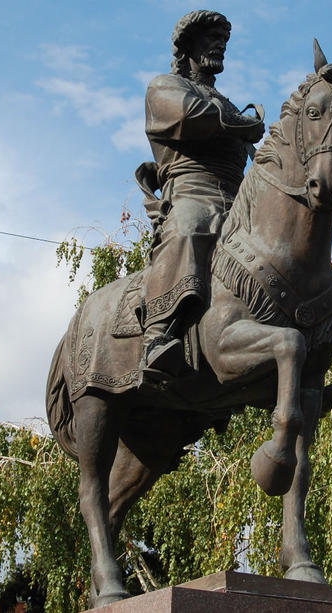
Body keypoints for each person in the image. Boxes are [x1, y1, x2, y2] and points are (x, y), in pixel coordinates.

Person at [136, 10, 264, 380]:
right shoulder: (165, 88)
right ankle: (157, 336)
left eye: (223, 38)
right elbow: (190, 116)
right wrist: (241, 123)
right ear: (188, 44)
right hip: (192, 193)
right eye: (210, 37)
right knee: (190, 226)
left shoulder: (226, 102)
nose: (220, 44)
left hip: (238, 202)